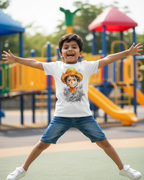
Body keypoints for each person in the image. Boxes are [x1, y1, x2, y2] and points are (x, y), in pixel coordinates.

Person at [2, 33, 143, 180]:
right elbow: (34, 63)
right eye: (66, 47)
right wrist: (15, 59)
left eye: (74, 47)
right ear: (61, 53)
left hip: (84, 117)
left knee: (104, 142)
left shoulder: (86, 66)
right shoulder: (56, 67)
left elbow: (107, 59)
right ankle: (22, 170)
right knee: (42, 144)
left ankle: (123, 168)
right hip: (61, 117)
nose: (70, 49)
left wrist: (127, 53)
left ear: (80, 52)